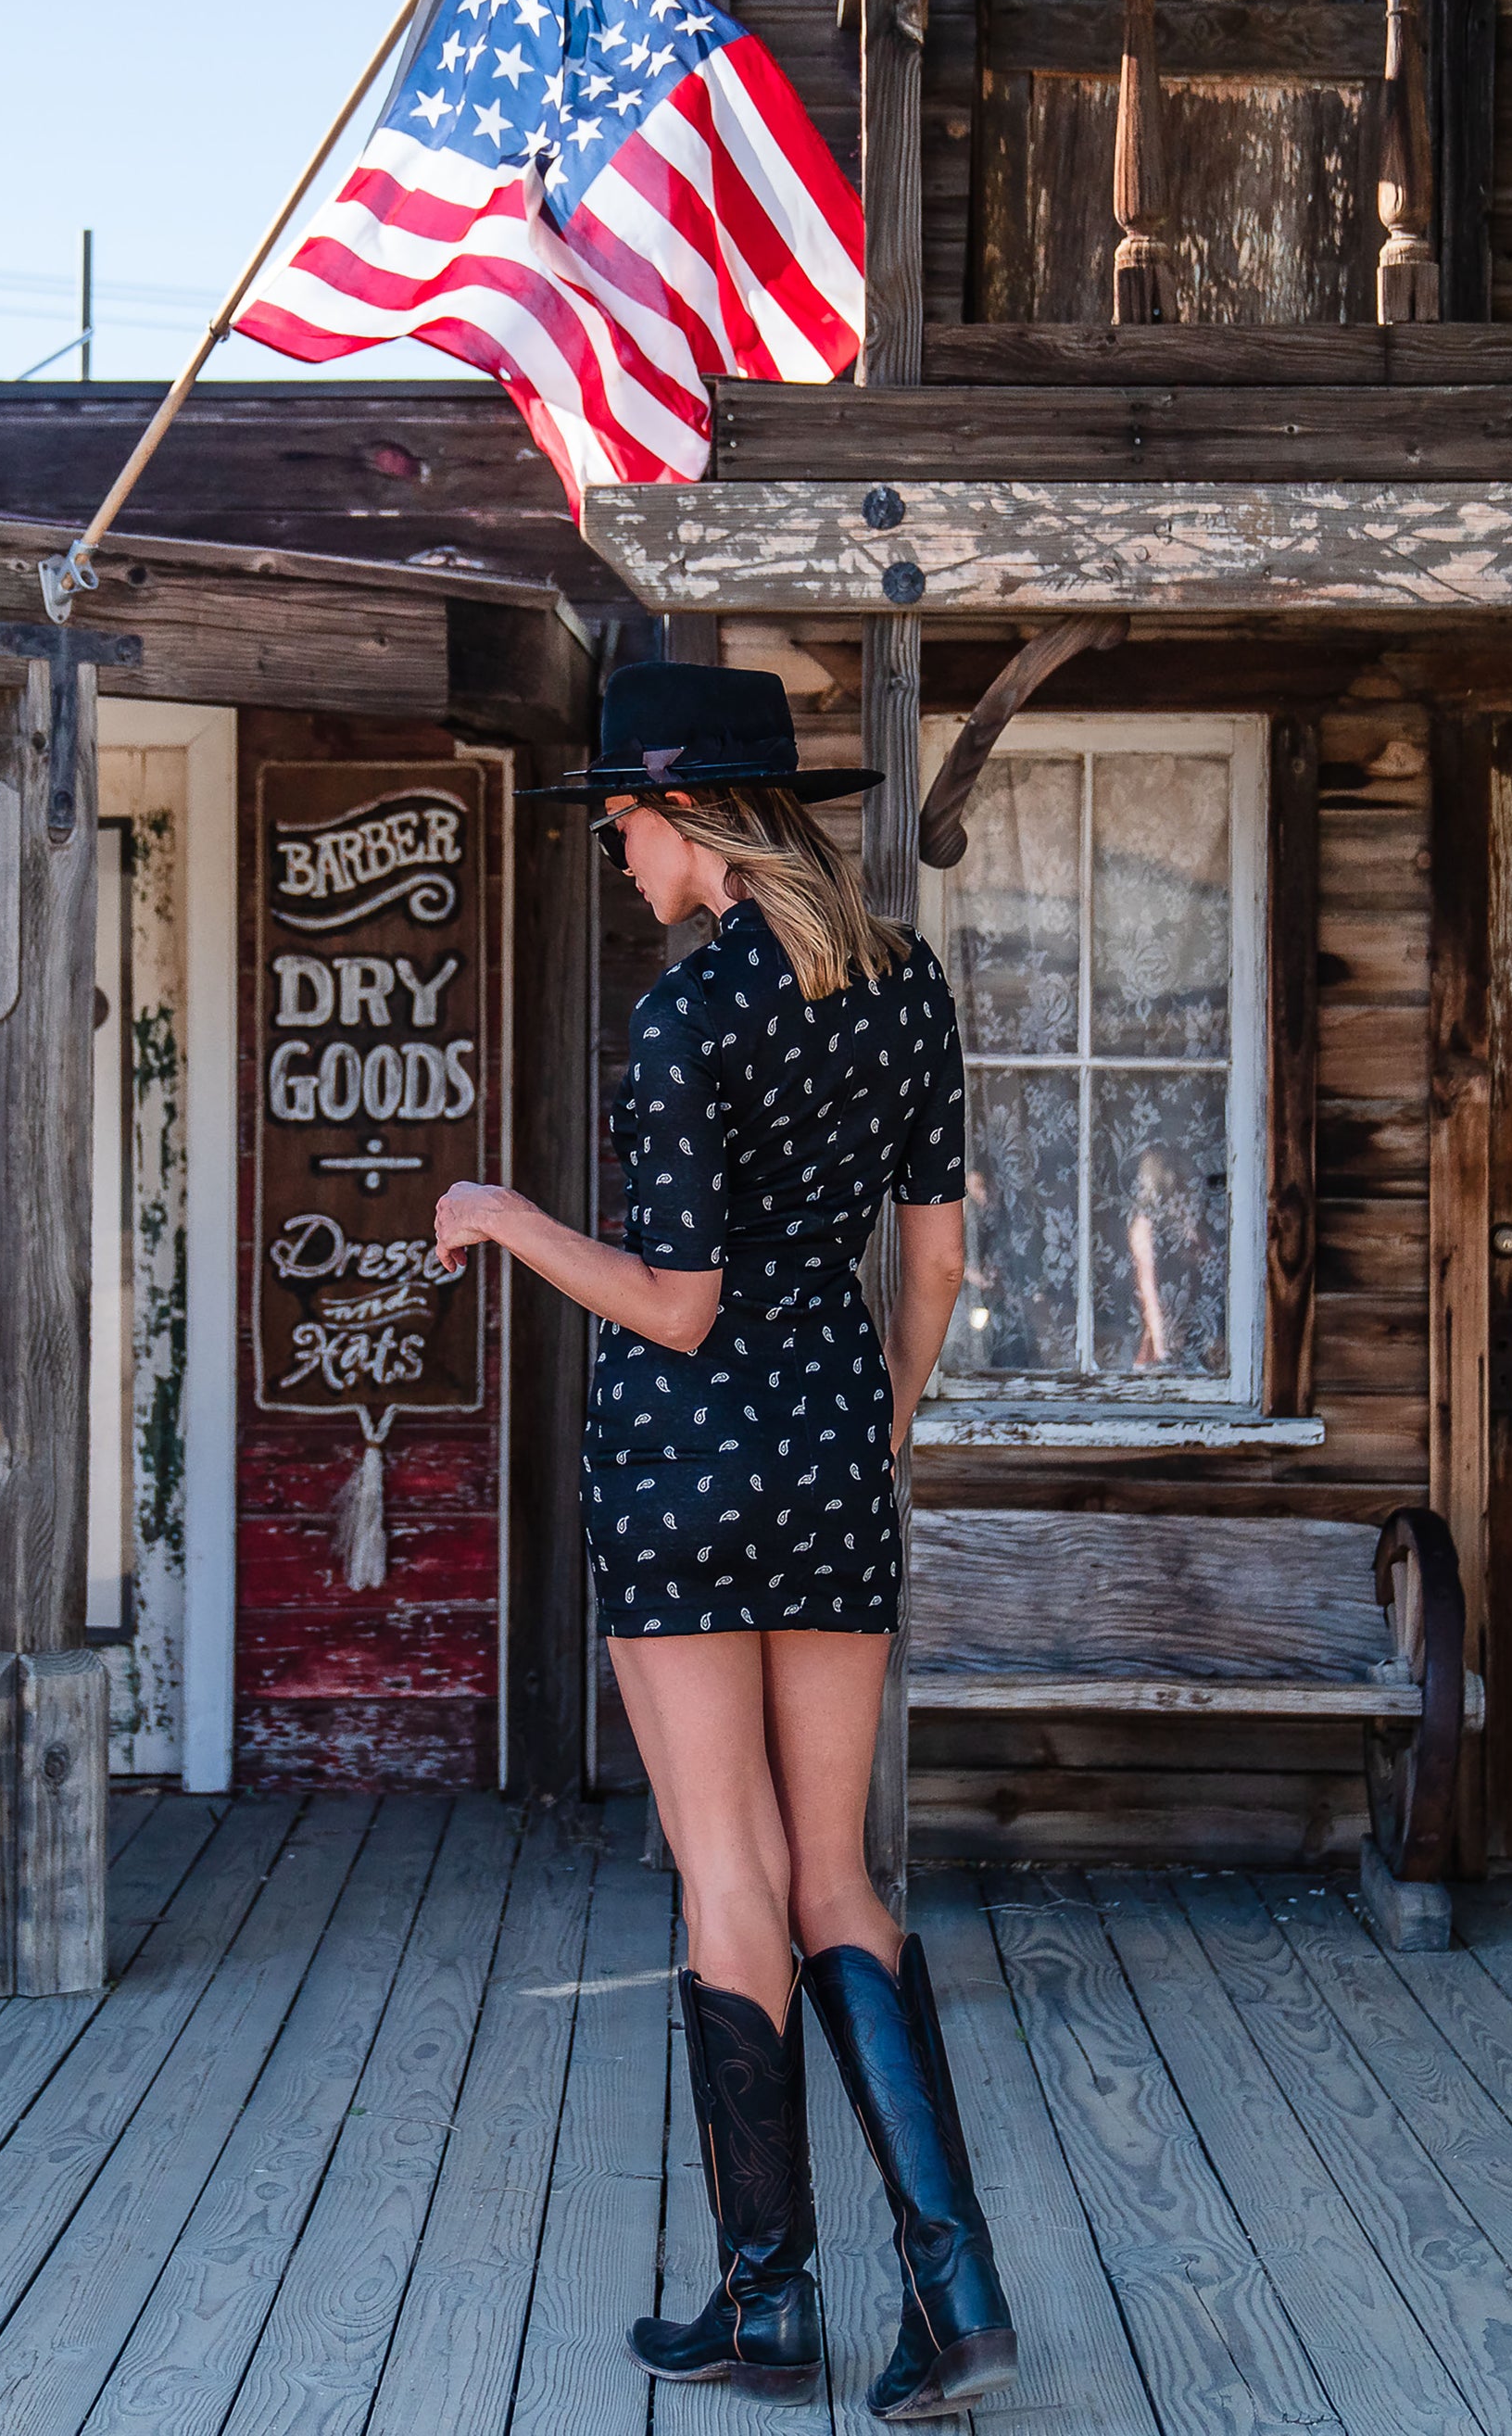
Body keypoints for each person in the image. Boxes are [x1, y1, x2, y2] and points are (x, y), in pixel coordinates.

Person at [435, 663, 1016, 2421]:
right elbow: (932, 1263)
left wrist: (505, 1217)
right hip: (834, 1445)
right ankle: (956, 2285)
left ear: (691, 822)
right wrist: (891, 1417)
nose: (617, 858)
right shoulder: (904, 987)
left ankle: (771, 2307)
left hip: (684, 1467)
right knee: (836, 1870)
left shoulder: (687, 1016)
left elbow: (676, 1306)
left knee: (728, 1873)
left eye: (620, 827)